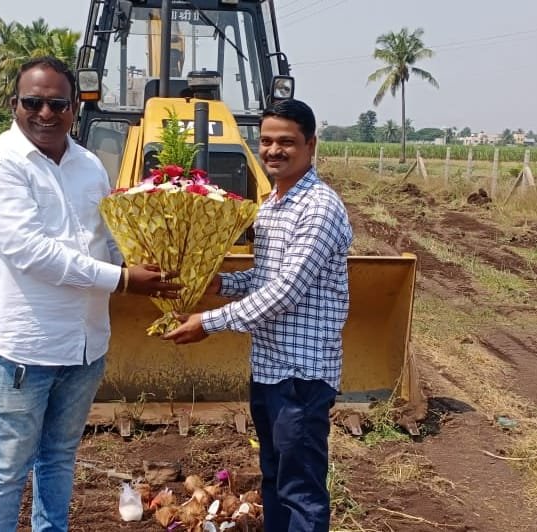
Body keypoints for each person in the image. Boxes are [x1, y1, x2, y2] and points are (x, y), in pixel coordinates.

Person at [0, 56, 182, 531]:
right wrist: (123, 280)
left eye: (58, 104)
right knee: (7, 469)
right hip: (23, 350)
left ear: (74, 108)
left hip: (84, 347)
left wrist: (157, 260)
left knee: (59, 457)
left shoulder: (89, 166)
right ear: (14, 104)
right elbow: (32, 253)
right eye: (33, 102)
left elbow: (107, 238)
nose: (46, 113)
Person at [164, 98, 352, 532]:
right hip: (269, 368)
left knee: (300, 488)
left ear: (310, 145)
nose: (273, 150)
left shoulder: (318, 207)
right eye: (266, 141)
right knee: (274, 477)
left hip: (302, 374)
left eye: (286, 142)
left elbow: (285, 292)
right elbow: (267, 277)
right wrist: (219, 283)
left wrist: (208, 322)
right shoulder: (270, 204)